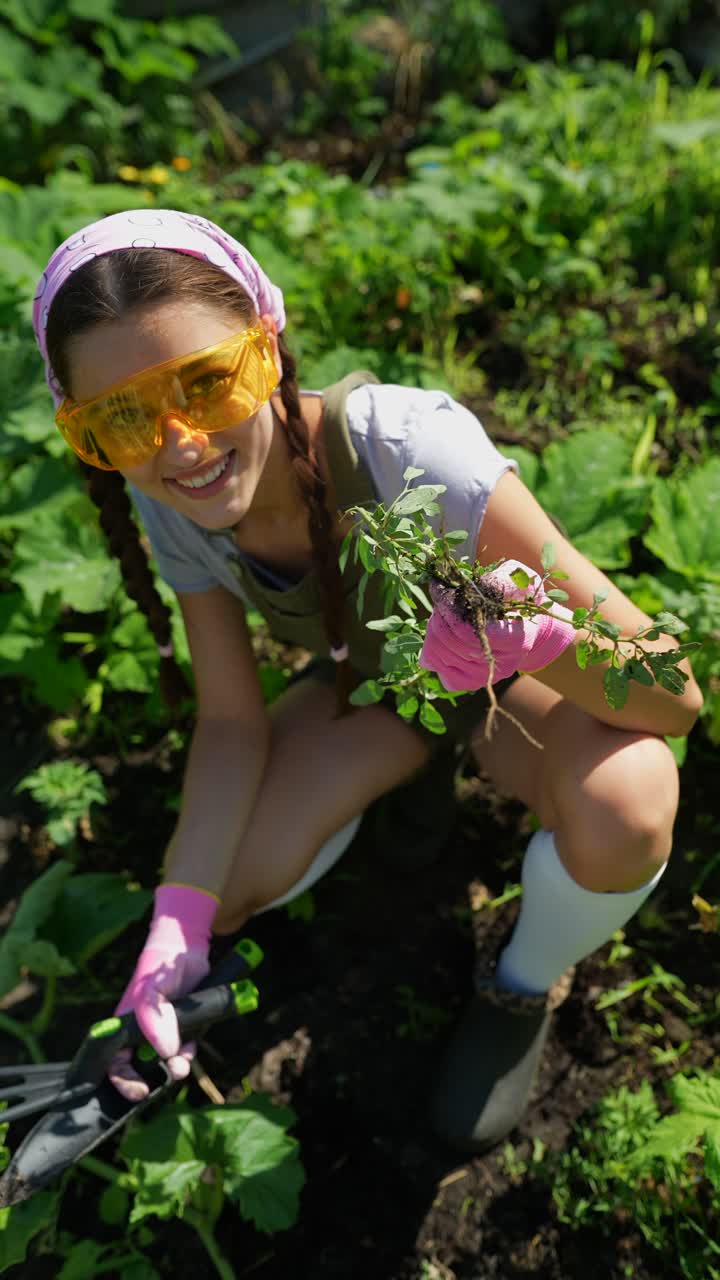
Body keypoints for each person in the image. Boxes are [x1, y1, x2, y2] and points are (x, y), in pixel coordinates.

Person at [32, 210, 702, 1153]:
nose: (179, 442)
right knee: (223, 886)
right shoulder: (181, 502)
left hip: (513, 693)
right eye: (122, 418)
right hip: (375, 692)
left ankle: (518, 985)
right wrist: (177, 920)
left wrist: (540, 641)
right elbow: (230, 723)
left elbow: (674, 694)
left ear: (267, 344)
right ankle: (393, 801)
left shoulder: (407, 447)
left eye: (209, 381)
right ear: (87, 432)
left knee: (629, 801)